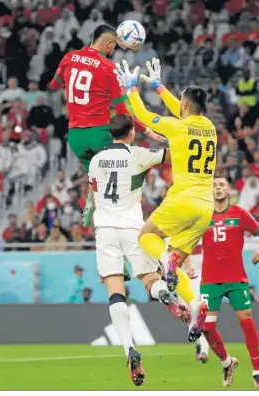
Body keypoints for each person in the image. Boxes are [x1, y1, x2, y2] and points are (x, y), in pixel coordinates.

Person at [116, 58, 215, 342]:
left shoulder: (177, 128)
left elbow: (144, 116)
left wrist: (132, 89)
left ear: (184, 107)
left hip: (182, 199)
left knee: (147, 236)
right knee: (176, 263)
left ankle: (165, 258)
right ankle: (196, 304)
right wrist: (160, 88)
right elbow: (181, 109)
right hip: (205, 207)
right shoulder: (208, 127)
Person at [88, 114, 190, 386]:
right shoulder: (139, 154)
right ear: (131, 132)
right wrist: (169, 134)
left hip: (105, 229)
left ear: (111, 134)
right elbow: (172, 155)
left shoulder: (96, 160)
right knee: (149, 280)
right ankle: (165, 294)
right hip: (133, 227)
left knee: (115, 289)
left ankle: (129, 349)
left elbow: (93, 195)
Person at [49, 24, 162, 227]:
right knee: (130, 167)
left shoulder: (70, 57)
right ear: (109, 43)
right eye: (114, 47)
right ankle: (131, 220)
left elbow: (53, 85)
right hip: (100, 134)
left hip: (75, 138)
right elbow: (122, 114)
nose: (114, 51)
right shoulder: (109, 69)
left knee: (98, 178)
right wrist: (146, 130)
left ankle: (94, 201)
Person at [199, 177, 259, 388]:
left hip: (236, 278)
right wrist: (186, 264)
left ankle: (257, 371)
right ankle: (227, 362)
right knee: (207, 328)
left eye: (221, 185)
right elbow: (188, 240)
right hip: (210, 280)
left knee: (246, 320)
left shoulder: (239, 213)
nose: (218, 188)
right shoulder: (202, 215)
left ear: (228, 189)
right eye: (214, 185)